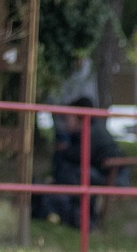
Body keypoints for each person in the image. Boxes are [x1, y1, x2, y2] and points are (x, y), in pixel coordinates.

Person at [44, 98, 121, 229]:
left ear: (79, 118)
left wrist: (64, 151)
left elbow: (82, 154)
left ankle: (78, 217)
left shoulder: (92, 132)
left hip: (111, 175)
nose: (66, 122)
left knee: (73, 174)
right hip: (105, 172)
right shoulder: (91, 129)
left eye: (69, 118)